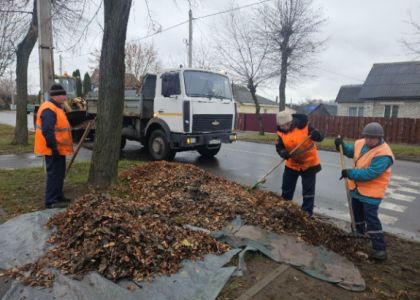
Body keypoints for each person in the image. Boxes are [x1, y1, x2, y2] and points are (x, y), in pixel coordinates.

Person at [335, 122, 394, 261]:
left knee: (371, 219)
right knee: (356, 216)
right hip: (356, 189)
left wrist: (350, 173)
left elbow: (371, 173)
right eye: (367, 137)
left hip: (372, 193)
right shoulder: (361, 143)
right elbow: (350, 151)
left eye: (372, 138)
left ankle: (380, 249)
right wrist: (341, 145)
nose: (368, 140)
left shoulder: (384, 154)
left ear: (379, 138)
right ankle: (358, 236)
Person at [275, 111, 324, 217]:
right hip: (292, 164)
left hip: (309, 163)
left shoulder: (304, 126)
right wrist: (283, 153)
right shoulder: (280, 133)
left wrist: (317, 135)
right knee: (287, 188)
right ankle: (285, 208)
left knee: (308, 191)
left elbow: (320, 137)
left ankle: (307, 213)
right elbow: (279, 147)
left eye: (287, 124)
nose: (286, 127)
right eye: (283, 126)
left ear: (291, 121)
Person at [34, 83, 74, 208]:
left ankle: (58, 195)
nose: (65, 97)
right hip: (52, 149)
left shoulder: (57, 107)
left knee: (60, 173)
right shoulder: (48, 109)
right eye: (63, 95)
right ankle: (51, 201)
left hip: (58, 149)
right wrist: (54, 148)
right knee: (54, 174)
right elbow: (47, 130)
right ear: (56, 96)